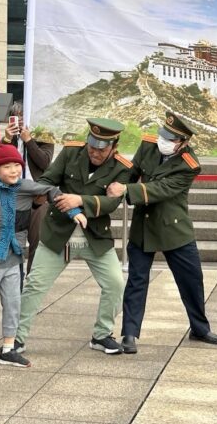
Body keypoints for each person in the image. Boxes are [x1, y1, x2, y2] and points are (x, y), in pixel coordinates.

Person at [107, 111, 217, 354]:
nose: (163, 141)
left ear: (184, 143)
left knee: (191, 280)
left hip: (174, 228)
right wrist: (115, 180)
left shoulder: (190, 165)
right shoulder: (148, 146)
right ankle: (129, 333)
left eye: (171, 139)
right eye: (163, 135)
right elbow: (132, 172)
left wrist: (127, 189)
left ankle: (200, 328)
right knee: (137, 280)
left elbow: (161, 188)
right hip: (144, 226)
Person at [0, 144, 85, 375]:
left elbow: (51, 190)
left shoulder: (24, 187)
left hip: (15, 256)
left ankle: (8, 349)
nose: (14, 171)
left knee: (13, 303)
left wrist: (74, 212)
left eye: (17, 166)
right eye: (7, 167)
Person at [16, 118, 131, 355]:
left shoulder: (122, 167)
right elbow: (47, 182)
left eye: (101, 149)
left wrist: (80, 201)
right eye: (92, 146)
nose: (95, 152)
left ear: (114, 146)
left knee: (115, 283)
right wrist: (64, 201)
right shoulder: (71, 153)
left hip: (95, 236)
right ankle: (16, 338)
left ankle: (101, 334)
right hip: (58, 232)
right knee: (35, 284)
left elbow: (111, 202)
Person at [0, 100, 55, 274]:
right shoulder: (9, 137)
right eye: (16, 118)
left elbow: (44, 162)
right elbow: (1, 162)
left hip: (37, 195)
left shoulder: (44, 134)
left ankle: (31, 280)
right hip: (14, 194)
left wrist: (29, 141)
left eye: (22, 117)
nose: (20, 121)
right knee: (13, 240)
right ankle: (15, 277)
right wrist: (8, 139)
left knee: (37, 241)